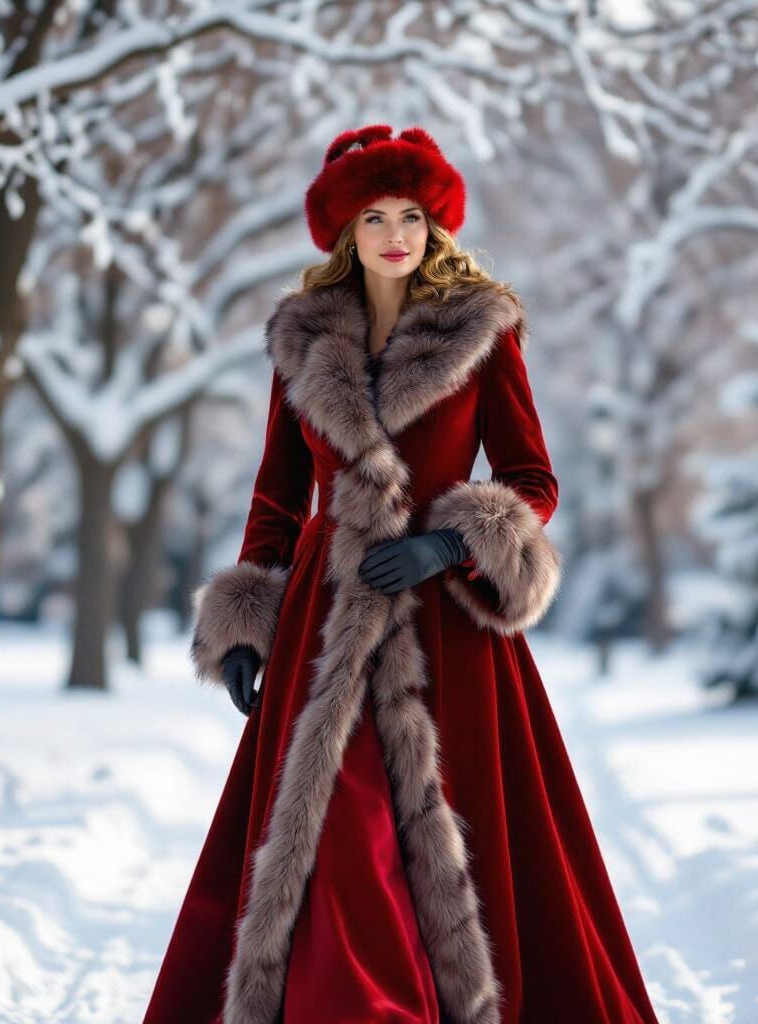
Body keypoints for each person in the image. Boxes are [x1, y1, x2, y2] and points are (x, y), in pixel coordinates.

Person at [144, 124, 659, 1024]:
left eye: (411, 216)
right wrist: (243, 625)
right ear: (346, 231)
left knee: (461, 839)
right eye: (375, 217)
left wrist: (453, 543)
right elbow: (277, 495)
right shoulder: (301, 338)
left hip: (444, 627)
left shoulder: (482, 328)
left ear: (435, 223)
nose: (396, 235)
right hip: (324, 622)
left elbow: (533, 480)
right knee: (336, 833)